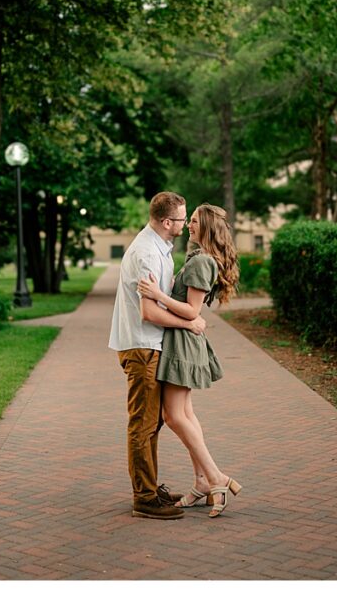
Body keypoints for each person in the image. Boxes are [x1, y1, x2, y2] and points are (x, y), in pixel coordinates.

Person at [137, 203, 242, 518]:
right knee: (185, 415)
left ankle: (216, 478)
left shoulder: (201, 262)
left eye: (193, 220)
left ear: (206, 227)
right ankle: (201, 482)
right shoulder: (200, 259)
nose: (188, 225)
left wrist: (158, 295)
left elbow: (192, 311)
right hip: (182, 342)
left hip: (183, 344)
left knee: (174, 417)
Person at [108, 192, 208, 520]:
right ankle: (144, 498)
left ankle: (149, 489)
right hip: (141, 345)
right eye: (183, 219)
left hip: (150, 345)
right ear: (168, 223)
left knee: (154, 421)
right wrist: (190, 322)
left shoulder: (159, 247)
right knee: (143, 422)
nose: (186, 223)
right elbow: (149, 312)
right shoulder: (147, 253)